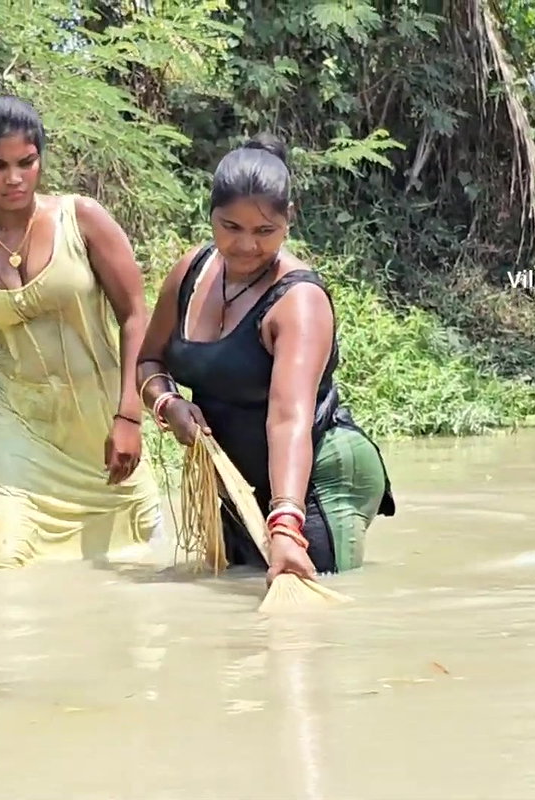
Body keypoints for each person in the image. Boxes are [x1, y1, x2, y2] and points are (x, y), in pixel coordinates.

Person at [136, 133, 395, 585]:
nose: (245, 247)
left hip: (316, 478)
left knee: (305, 616)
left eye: (264, 232)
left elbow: (289, 418)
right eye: (230, 227)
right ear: (210, 214)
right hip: (236, 478)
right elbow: (148, 362)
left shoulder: (298, 301)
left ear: (288, 221)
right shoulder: (190, 272)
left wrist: (287, 524)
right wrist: (168, 405)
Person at [0, 94, 162, 569]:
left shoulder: (82, 220)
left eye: (26, 162)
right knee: (5, 560)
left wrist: (129, 417)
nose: (14, 178)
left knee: (141, 559)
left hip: (102, 431)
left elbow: (136, 315)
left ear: (41, 159)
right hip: (22, 432)